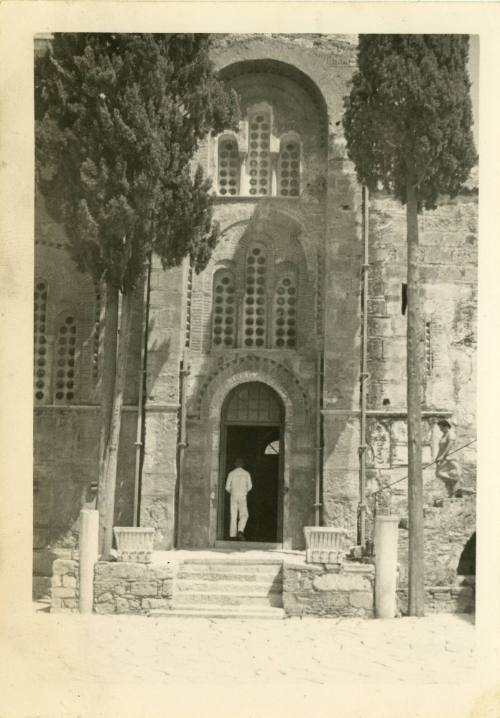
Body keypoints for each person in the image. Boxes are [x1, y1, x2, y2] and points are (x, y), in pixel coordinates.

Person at [225, 457, 252, 540]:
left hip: (233, 495)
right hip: (242, 496)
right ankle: (240, 531)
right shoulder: (246, 473)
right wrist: (245, 492)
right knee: (244, 514)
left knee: (233, 514)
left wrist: (232, 492)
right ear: (243, 465)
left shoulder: (231, 473)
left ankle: (232, 535)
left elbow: (226, 487)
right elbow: (250, 486)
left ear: (235, 465)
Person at [435, 419, 461, 497]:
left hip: (451, 457)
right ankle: (452, 488)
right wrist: (437, 457)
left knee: (441, 473)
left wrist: (442, 456)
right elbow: (441, 448)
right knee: (439, 473)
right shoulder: (444, 435)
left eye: (442, 428)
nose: (440, 430)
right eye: (440, 428)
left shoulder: (451, 434)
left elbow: (449, 447)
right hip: (444, 458)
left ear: (446, 426)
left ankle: (455, 483)